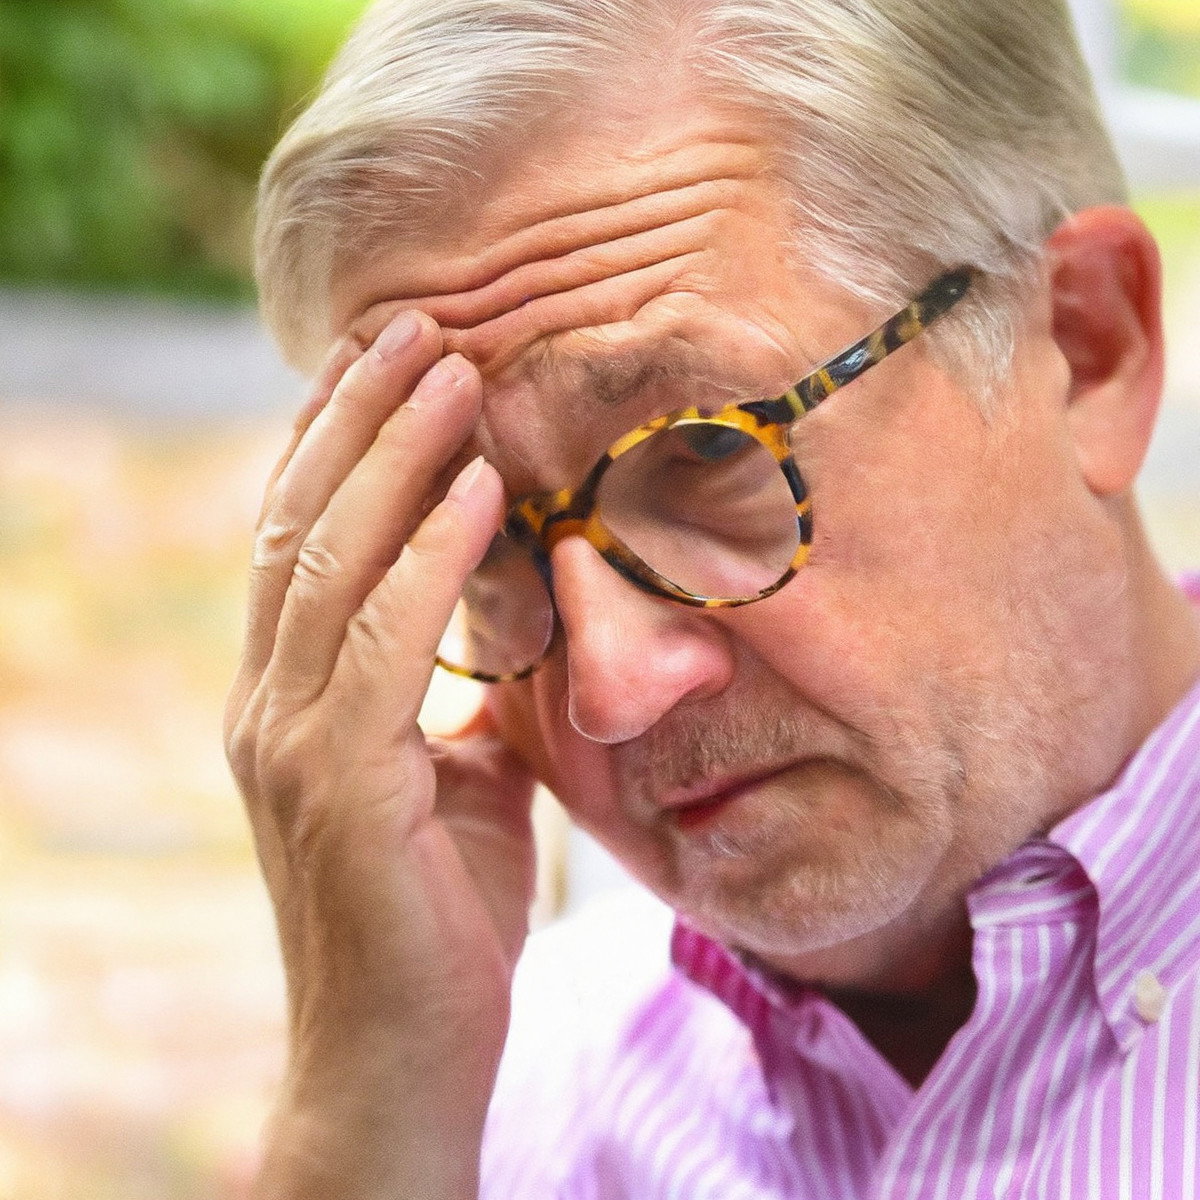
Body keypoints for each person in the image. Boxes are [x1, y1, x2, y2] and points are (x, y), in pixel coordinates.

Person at [224, 0, 1200, 1195]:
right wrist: (363, 1110)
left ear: (1086, 349)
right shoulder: (492, 1098)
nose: (610, 692)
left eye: (707, 451)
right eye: (483, 546)